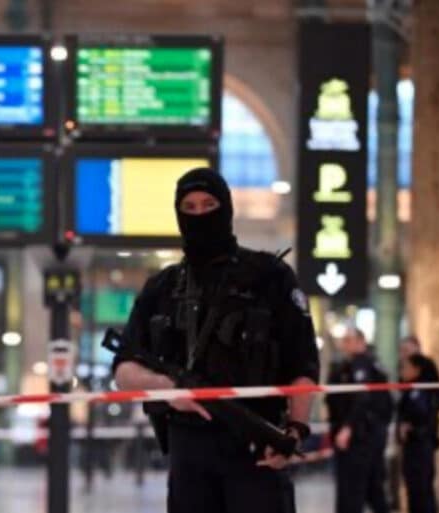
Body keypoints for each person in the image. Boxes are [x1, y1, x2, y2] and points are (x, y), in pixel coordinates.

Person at [112, 167, 319, 513]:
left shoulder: (271, 277)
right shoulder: (162, 288)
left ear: (226, 208)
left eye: (209, 205)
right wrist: (165, 387)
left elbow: (304, 364)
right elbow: (123, 370)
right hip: (188, 455)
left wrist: (294, 430)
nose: (199, 215)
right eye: (189, 208)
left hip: (257, 447)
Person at [325, 328, 393, 513]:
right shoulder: (362, 364)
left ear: (361, 342)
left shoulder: (361, 364)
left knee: (351, 491)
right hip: (367, 437)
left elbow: (362, 399)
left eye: (348, 340)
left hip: (358, 438)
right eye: (343, 340)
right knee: (373, 490)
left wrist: (347, 428)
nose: (344, 344)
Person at [398, 353, 439, 513]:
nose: (402, 371)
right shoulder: (410, 390)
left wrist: (410, 428)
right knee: (414, 490)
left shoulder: (423, 392)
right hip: (413, 446)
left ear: (416, 370)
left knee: (422, 490)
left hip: (421, 446)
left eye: (406, 367)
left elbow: (425, 418)